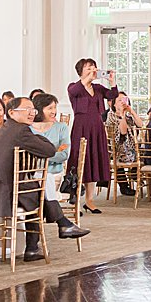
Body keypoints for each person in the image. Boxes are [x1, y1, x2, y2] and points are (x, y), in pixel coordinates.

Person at [0, 96, 58, 262]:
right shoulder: (19, 130)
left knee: (33, 189)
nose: (32, 113)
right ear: (11, 113)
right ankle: (56, 227)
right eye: (27, 110)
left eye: (33, 110)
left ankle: (59, 226)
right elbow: (49, 149)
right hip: (2, 192)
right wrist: (35, 132)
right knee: (35, 192)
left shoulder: (8, 129)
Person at [31, 92, 89, 241]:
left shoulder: (60, 127)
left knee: (42, 178)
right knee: (38, 181)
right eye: (49, 108)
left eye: (55, 107)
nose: (54, 111)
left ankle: (35, 242)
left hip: (53, 174)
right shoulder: (28, 128)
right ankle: (62, 222)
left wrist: (40, 157)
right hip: (31, 175)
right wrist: (52, 153)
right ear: (38, 109)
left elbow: (64, 155)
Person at [68, 59, 118, 214]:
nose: (92, 70)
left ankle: (89, 201)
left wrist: (112, 81)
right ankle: (74, 198)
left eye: (93, 67)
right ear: (80, 71)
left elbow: (112, 95)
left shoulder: (97, 88)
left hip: (97, 127)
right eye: (88, 68)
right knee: (79, 161)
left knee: (94, 161)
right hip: (81, 128)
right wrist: (87, 79)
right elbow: (74, 92)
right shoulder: (73, 87)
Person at [105, 92, 140, 196]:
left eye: (124, 100)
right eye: (119, 100)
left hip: (130, 148)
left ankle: (135, 174)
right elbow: (123, 132)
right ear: (114, 104)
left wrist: (132, 111)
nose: (122, 102)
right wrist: (122, 115)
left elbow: (141, 125)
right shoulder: (111, 116)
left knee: (146, 152)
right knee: (140, 155)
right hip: (117, 150)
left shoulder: (129, 115)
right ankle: (131, 179)